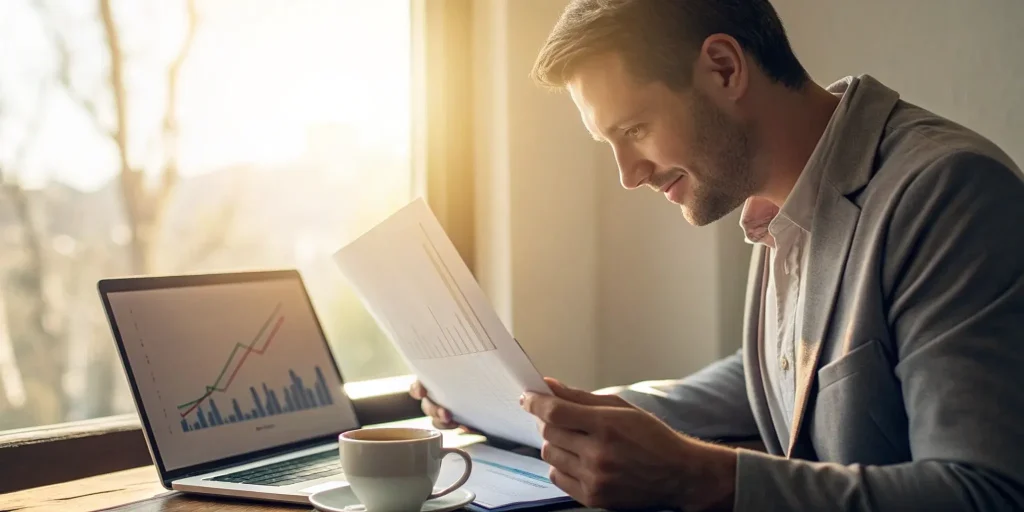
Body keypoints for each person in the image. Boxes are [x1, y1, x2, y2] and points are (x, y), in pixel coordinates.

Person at [411, 0, 1024, 510]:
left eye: (634, 130)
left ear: (725, 69)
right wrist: (556, 413)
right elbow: (784, 371)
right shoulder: (780, 204)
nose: (628, 175)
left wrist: (700, 475)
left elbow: (986, 492)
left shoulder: (949, 192)